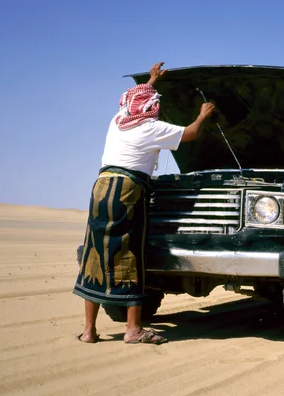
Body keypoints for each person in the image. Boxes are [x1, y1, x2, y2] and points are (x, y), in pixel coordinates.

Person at [73, 62, 215, 344]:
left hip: (101, 188)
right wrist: (202, 115)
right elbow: (190, 134)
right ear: (150, 108)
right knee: (129, 253)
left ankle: (89, 331)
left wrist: (152, 80)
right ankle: (133, 329)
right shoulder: (150, 128)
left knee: (94, 254)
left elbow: (138, 98)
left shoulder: (118, 121)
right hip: (127, 189)